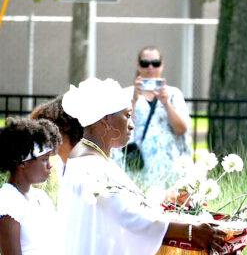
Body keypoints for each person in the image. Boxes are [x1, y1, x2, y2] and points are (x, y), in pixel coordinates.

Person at [58, 77, 225, 255]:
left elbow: (121, 205)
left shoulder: (89, 156)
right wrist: (191, 231)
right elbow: (130, 216)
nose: (131, 125)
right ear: (105, 120)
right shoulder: (90, 163)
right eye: (127, 116)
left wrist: (167, 198)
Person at [124, 46, 192, 188]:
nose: (150, 67)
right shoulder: (126, 94)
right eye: (145, 63)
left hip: (170, 166)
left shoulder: (174, 94)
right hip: (139, 166)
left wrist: (166, 103)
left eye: (155, 63)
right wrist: (134, 100)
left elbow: (181, 129)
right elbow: (122, 127)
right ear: (138, 65)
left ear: (162, 64)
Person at [0, 117, 62, 255]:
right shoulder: (8, 200)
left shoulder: (42, 196)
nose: (50, 165)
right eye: (44, 159)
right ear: (22, 162)